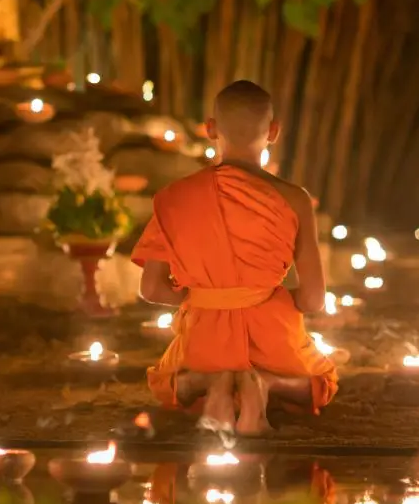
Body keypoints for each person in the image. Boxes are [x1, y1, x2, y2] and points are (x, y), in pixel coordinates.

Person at [132, 80, 338, 436]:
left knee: (167, 383)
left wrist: (205, 298)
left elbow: (151, 289)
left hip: (203, 341)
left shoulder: (176, 197)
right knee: (322, 383)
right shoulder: (295, 199)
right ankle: (267, 383)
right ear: (273, 132)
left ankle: (208, 383)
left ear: (210, 129)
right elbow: (313, 299)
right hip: (275, 340)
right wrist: (266, 299)